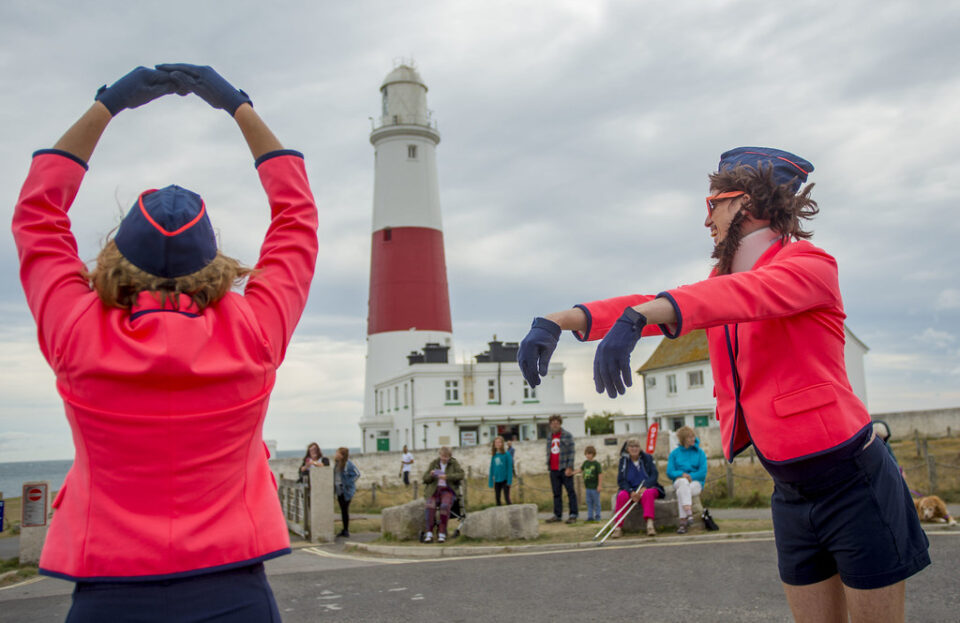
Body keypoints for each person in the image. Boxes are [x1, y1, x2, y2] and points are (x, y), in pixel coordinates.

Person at [518, 147, 929, 622]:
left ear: (746, 203)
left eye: (711, 204)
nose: (706, 220)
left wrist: (645, 314)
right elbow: (672, 301)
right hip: (790, 492)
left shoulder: (809, 265)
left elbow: (736, 296)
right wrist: (559, 319)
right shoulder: (721, 282)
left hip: (853, 483)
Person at [13, 64, 318, 621]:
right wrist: (238, 106)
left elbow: (38, 214)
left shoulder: (78, 333)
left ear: (115, 253)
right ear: (213, 261)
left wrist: (109, 104)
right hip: (234, 590)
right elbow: (296, 219)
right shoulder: (251, 333)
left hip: (110, 592)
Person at [611, 438, 664, 537]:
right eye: (632, 447)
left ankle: (650, 525)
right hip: (631, 489)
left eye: (636, 446)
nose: (634, 449)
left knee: (647, 494)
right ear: (627, 449)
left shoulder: (647, 458)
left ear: (640, 448)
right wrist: (631, 492)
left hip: (647, 487)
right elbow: (621, 480)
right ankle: (618, 527)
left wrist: (645, 487)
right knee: (622, 496)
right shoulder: (624, 461)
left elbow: (654, 475)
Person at [666, 426, 707, 534]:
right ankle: (689, 512)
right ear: (683, 439)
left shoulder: (700, 453)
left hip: (696, 482)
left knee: (681, 492)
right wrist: (681, 474)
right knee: (683, 483)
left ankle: (683, 522)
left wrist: (691, 477)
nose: (693, 439)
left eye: (693, 436)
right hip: (679, 481)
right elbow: (670, 472)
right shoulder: (674, 453)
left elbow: (703, 472)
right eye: (689, 437)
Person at [422, 447, 464, 543]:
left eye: (446, 457)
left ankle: (442, 533)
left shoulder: (454, 463)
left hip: (448, 490)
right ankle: (429, 533)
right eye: (442, 456)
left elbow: (461, 474)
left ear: (449, 457)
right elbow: (425, 478)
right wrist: (431, 475)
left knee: (444, 506)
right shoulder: (434, 463)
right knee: (429, 505)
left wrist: (447, 477)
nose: (444, 458)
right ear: (439, 455)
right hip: (435, 490)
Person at [544, 414, 578, 524]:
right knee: (556, 493)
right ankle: (557, 514)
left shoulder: (567, 435)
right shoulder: (549, 436)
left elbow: (572, 452)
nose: (555, 425)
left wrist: (569, 467)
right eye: (553, 423)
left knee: (570, 492)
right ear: (550, 425)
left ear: (560, 424)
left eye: (557, 423)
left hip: (564, 468)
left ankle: (573, 514)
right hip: (553, 469)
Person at [333, 447, 361, 538]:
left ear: (342, 455)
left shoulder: (348, 464)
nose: (336, 454)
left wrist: (348, 483)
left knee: (345, 510)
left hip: (346, 491)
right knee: (342, 510)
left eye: (338, 453)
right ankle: (344, 529)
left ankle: (346, 530)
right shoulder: (337, 464)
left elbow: (357, 474)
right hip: (339, 490)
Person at [576, 445, 603, 522]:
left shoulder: (596, 464)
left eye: (590, 454)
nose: (588, 455)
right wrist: (573, 472)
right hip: (588, 487)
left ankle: (598, 516)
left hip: (595, 487)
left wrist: (599, 485)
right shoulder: (585, 463)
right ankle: (590, 516)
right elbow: (580, 470)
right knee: (589, 502)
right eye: (587, 454)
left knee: (596, 503)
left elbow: (600, 474)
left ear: (593, 454)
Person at [488, 436, 514, 505]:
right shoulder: (494, 455)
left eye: (499, 442)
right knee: (497, 498)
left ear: (502, 443)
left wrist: (509, 481)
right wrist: (490, 481)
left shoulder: (507, 454)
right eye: (496, 442)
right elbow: (492, 468)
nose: (498, 444)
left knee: (507, 498)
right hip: (497, 480)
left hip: (505, 480)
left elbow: (509, 468)